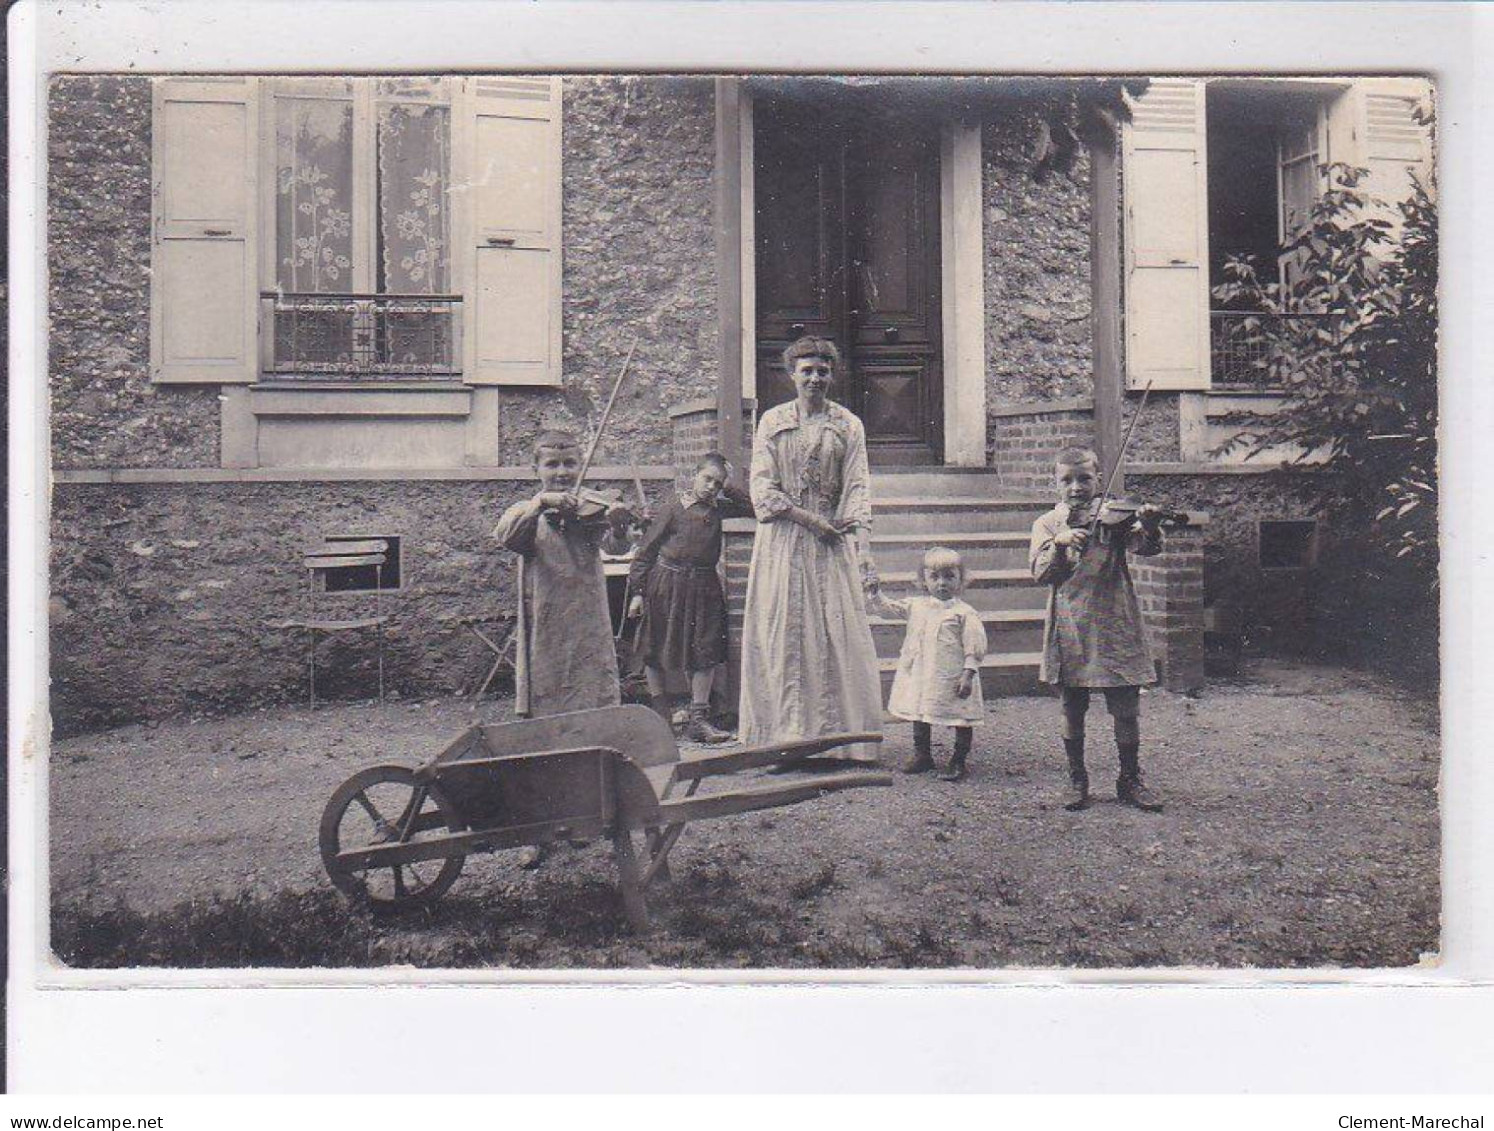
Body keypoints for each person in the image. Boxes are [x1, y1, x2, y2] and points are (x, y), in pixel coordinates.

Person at [737, 336, 884, 764]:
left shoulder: (847, 425)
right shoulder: (772, 421)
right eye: (807, 370)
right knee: (784, 633)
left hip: (830, 543)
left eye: (822, 370)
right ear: (791, 375)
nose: (815, 378)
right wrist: (807, 519)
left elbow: (858, 486)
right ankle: (784, 742)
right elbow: (762, 486)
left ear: (832, 375)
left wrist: (862, 546)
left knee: (833, 633)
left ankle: (839, 741)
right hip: (784, 540)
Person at [1030, 446, 1166, 812]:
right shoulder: (1047, 524)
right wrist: (1060, 547)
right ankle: (1077, 778)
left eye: (1085, 479)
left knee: (1125, 706)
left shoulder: (1115, 519)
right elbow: (1043, 574)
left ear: (1099, 480)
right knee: (1073, 707)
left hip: (1114, 620)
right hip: (1071, 624)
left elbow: (1144, 547)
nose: (1077, 487)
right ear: (1055, 483)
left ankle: (1130, 778)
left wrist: (1150, 527)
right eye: (1067, 480)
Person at [492, 430, 636, 720]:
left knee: (591, 683)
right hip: (546, 614)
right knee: (548, 681)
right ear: (536, 470)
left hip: (587, 614)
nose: (562, 472)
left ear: (581, 466)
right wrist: (543, 503)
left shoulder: (593, 506)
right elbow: (507, 536)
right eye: (552, 465)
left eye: (570, 463)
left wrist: (619, 528)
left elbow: (615, 547)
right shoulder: (526, 511)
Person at [625, 451, 755, 743]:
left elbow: (755, 507)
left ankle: (698, 720)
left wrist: (730, 485)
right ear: (695, 475)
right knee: (654, 648)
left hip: (704, 587)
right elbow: (645, 551)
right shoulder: (674, 507)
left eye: (718, 483)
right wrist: (637, 593)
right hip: (666, 584)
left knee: (706, 651)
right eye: (707, 478)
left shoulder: (719, 509)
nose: (711, 486)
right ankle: (661, 717)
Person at [865, 546, 988, 782]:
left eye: (949, 576)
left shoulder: (964, 613)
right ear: (924, 580)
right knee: (920, 710)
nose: (942, 583)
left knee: (960, 715)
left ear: (961, 579)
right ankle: (923, 754)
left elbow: (974, 646)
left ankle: (958, 760)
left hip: (950, 674)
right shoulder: (916, 606)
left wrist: (968, 674)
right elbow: (887, 610)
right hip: (922, 672)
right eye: (934, 577)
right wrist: (875, 593)